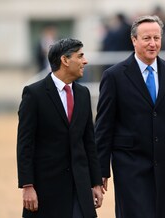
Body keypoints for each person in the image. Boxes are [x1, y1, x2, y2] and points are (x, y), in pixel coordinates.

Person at [94, 15, 165, 218]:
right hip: (129, 166)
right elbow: (104, 127)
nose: (153, 44)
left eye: (156, 38)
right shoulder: (114, 76)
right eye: (147, 38)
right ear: (134, 40)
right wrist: (100, 171)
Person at [17, 38, 104, 218]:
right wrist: (27, 186)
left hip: (80, 189)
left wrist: (96, 183)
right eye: (80, 56)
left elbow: (89, 141)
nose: (85, 61)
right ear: (65, 60)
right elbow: (25, 143)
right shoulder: (34, 94)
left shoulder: (83, 93)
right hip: (47, 190)